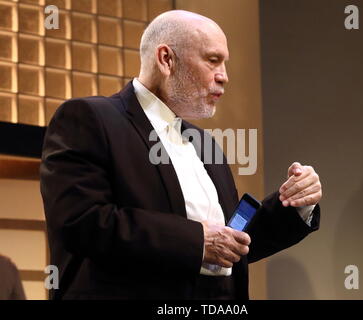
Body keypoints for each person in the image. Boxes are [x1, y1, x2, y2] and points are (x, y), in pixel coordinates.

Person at [40, 10, 322, 300]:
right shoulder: (89, 118)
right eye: (213, 60)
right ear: (166, 60)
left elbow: (233, 244)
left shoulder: (205, 142)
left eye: (224, 63)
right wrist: (197, 241)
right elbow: (82, 223)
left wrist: (294, 204)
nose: (224, 76)